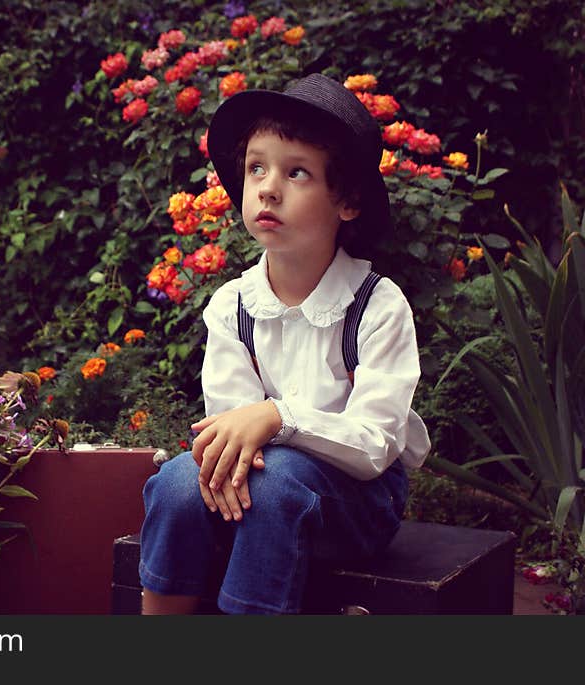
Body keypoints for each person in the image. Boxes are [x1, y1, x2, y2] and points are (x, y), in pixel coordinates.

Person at [138, 73, 431, 615]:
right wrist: (241, 442)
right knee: (177, 481)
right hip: (254, 486)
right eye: (257, 168)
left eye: (296, 172)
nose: (268, 187)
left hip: (358, 503)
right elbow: (230, 430)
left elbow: (372, 446)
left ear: (345, 202)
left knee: (280, 487)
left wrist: (279, 417)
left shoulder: (377, 305)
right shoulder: (233, 305)